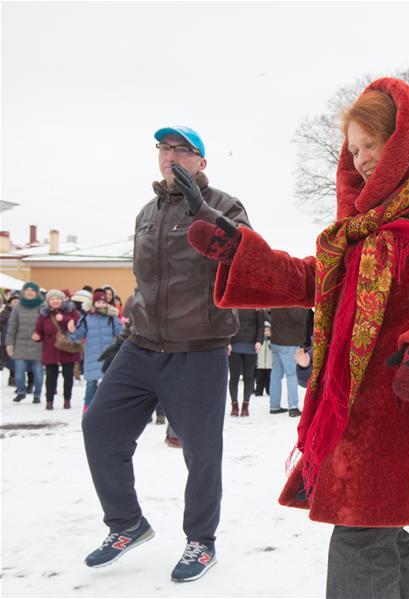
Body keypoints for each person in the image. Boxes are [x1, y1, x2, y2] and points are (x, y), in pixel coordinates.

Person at [185, 78, 409, 597]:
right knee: (378, 533)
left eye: (371, 144)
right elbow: (317, 280)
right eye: (354, 149)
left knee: (361, 533)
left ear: (402, 141)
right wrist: (240, 252)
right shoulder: (362, 225)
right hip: (351, 405)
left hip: (404, 401)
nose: (360, 159)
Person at [80, 126, 251, 582]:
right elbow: (146, 282)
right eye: (164, 147)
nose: (170, 155)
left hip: (198, 348)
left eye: (182, 149)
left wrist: (202, 211)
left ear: (201, 162)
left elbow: (246, 257)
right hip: (141, 346)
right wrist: (127, 332)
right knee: (99, 427)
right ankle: (126, 523)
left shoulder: (226, 205)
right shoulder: (147, 213)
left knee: (201, 450)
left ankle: (201, 540)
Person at [67, 290, 122, 412]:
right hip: (92, 357)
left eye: (103, 302)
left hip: (109, 357)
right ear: (93, 303)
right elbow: (78, 336)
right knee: (91, 385)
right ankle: (87, 410)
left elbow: (120, 333)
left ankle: (107, 410)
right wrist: (72, 331)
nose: (101, 304)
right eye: (98, 302)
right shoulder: (86, 318)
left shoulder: (112, 318)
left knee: (108, 385)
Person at [32, 289, 81, 409]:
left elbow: (78, 324)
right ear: (48, 301)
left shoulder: (71, 311)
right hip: (51, 349)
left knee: (68, 375)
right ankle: (49, 401)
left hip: (67, 348)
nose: (55, 301)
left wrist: (64, 319)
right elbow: (39, 330)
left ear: (63, 300)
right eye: (52, 299)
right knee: (50, 376)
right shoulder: (44, 315)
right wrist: (37, 337)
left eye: (58, 298)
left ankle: (67, 400)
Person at [268, 307, 310, 416]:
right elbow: (297, 316)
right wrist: (306, 306)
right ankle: (293, 407)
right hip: (289, 342)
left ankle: (274, 405)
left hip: (276, 339)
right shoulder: (291, 299)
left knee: (276, 374)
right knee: (292, 374)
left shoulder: (276, 298)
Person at [6, 282, 43, 403]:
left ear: (36, 293)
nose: (29, 292)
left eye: (32, 290)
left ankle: (37, 395)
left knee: (38, 374)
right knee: (19, 373)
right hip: (20, 346)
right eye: (27, 290)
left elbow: (46, 326)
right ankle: (21, 392)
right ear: (23, 292)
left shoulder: (42, 307)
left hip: (38, 345)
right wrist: (9, 344)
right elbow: (12, 326)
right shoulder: (18, 307)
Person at [228, 308, 264, 417]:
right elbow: (228, 323)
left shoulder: (256, 305)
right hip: (234, 345)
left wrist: (259, 341)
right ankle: (234, 405)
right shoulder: (232, 304)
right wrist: (227, 342)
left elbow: (260, 325)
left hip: (251, 346)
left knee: (249, 377)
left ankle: (245, 405)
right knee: (234, 377)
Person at [254, 321, 273, 396]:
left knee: (269, 379)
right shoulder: (259, 341)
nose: (266, 332)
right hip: (260, 365)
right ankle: (259, 391)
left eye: (268, 330)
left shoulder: (272, 341)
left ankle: (269, 390)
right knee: (259, 379)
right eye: (264, 331)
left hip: (270, 365)